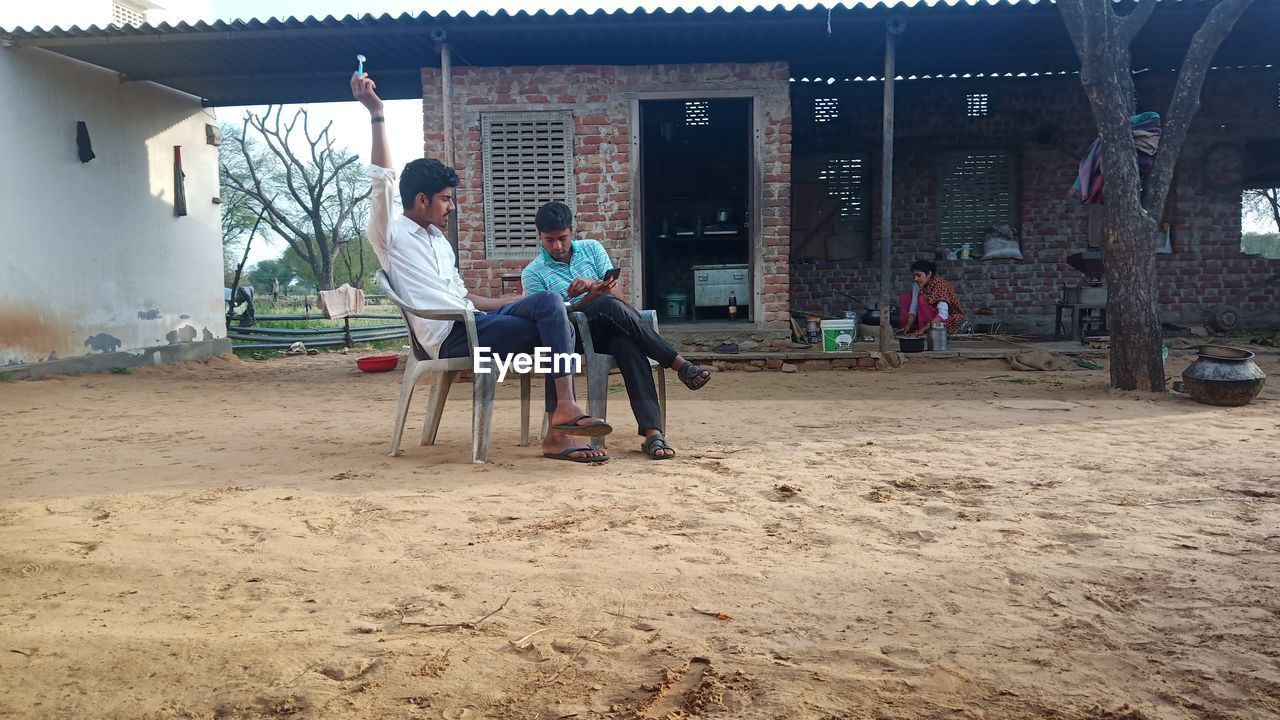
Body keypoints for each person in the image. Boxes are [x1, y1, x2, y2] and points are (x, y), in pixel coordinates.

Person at [351, 72, 612, 463]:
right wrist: (377, 114)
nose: (451, 207)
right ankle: (561, 426)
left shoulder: (439, 241)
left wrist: (515, 300)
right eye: (445, 199)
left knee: (548, 306)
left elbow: (463, 296)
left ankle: (564, 414)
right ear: (421, 199)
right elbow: (382, 180)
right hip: (451, 334)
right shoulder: (390, 234)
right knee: (556, 326)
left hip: (473, 319)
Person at [521, 202, 712, 460]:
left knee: (627, 344)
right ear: (539, 237)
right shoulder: (533, 273)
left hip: (609, 327)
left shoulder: (592, 249)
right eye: (550, 240)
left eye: (562, 238)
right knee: (606, 304)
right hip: (569, 339)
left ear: (572, 230)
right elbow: (548, 323)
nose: (557, 246)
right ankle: (678, 364)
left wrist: (591, 284)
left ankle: (653, 433)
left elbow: (620, 299)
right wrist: (589, 298)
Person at [897, 259, 965, 337]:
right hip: (925, 324)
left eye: (919, 275)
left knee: (922, 300)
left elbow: (943, 315)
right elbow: (913, 309)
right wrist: (907, 326)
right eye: (914, 276)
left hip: (943, 325)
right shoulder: (917, 286)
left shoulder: (940, 286)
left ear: (929, 274)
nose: (915, 279)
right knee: (905, 298)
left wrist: (922, 330)